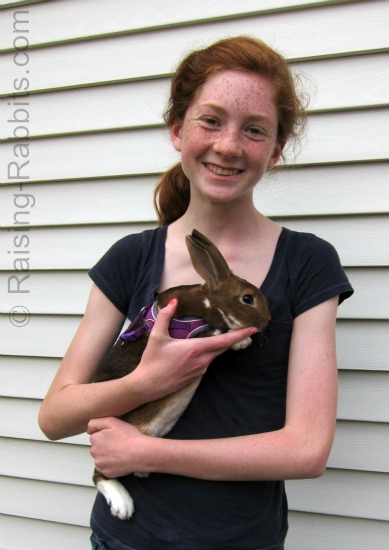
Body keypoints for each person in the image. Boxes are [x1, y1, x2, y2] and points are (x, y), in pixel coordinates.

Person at [39, 36, 353, 550]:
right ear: (177, 130)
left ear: (275, 151)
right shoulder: (131, 259)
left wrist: (148, 453)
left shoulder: (307, 263)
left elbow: (307, 450)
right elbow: (55, 417)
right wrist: (146, 381)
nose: (229, 146)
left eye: (254, 130)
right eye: (211, 121)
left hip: (241, 540)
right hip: (124, 539)